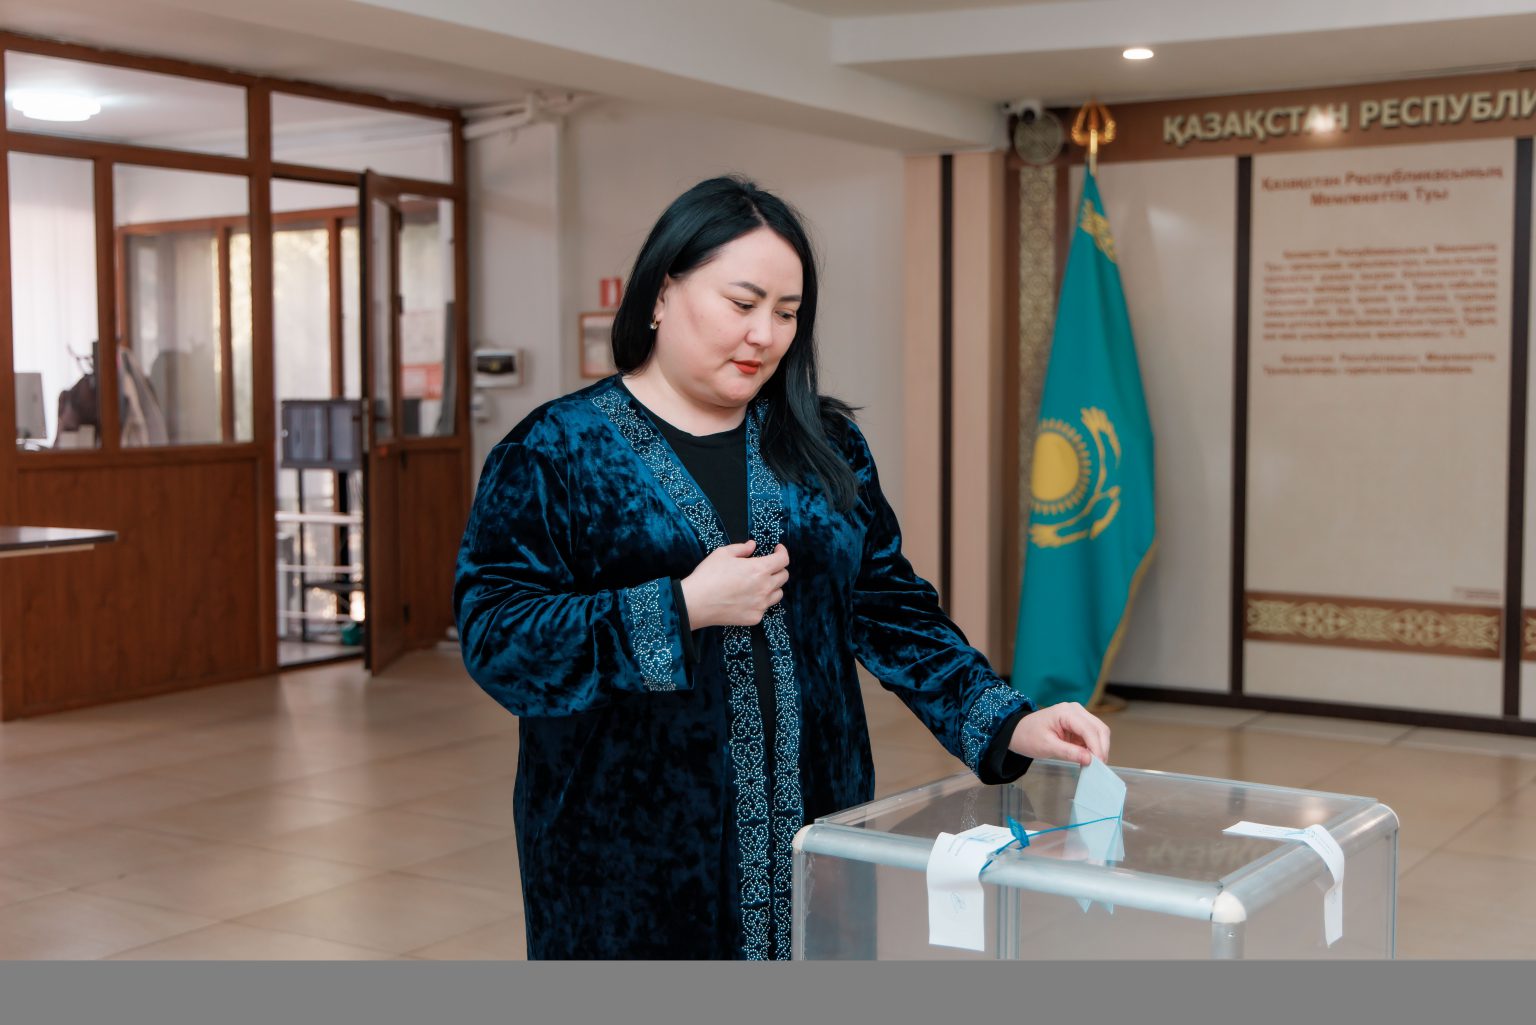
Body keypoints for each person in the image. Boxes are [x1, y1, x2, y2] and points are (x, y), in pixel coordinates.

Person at [454, 175, 1111, 960]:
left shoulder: (822, 443)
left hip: (817, 838)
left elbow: (889, 605)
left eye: (788, 312)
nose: (765, 335)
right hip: (629, 865)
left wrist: (1006, 718)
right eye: (743, 303)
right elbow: (497, 636)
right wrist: (680, 606)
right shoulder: (556, 451)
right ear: (661, 293)